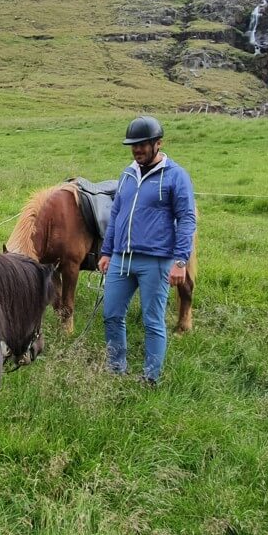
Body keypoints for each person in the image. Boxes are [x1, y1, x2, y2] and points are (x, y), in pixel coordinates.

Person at [97, 116, 196, 384]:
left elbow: (187, 218)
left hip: (156, 261)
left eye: (142, 145)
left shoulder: (176, 176)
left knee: (153, 321)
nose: (137, 150)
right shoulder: (127, 174)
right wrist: (106, 252)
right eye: (133, 145)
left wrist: (180, 261)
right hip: (121, 258)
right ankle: (116, 369)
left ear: (158, 143)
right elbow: (116, 214)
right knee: (112, 315)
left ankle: (151, 378)